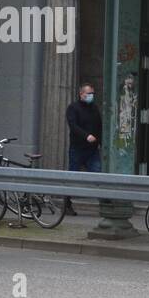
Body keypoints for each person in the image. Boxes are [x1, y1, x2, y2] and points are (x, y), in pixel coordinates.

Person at [64, 82, 102, 216]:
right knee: (73, 176)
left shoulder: (94, 108)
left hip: (92, 150)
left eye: (92, 93)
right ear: (81, 94)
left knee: (98, 175)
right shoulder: (73, 108)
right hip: (78, 148)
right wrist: (86, 136)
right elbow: (73, 126)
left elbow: (99, 125)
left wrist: (100, 141)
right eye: (88, 93)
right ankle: (67, 204)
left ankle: (105, 203)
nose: (91, 96)